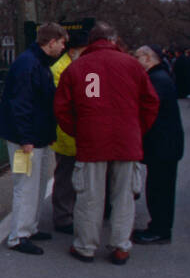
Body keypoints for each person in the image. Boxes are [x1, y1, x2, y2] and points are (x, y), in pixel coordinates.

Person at [54, 22, 160, 264]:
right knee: (124, 196)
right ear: (114, 39)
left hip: (92, 139)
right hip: (126, 140)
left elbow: (62, 108)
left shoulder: (78, 67)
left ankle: (85, 246)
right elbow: (150, 103)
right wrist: (137, 129)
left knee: (89, 196)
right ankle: (121, 245)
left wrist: (78, 131)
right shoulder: (133, 66)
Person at [0, 23, 68, 254]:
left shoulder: (36, 63)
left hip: (35, 137)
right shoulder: (30, 64)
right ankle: (19, 236)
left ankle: (29, 227)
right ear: (52, 42)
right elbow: (21, 104)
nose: (64, 47)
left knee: (36, 184)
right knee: (26, 185)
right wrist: (26, 138)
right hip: (25, 139)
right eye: (62, 42)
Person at [132, 45, 184, 244]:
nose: (135, 60)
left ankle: (160, 229)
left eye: (137, 57)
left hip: (163, 145)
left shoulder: (157, 80)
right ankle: (159, 226)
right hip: (166, 144)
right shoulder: (161, 77)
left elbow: (148, 107)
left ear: (147, 58)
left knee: (159, 189)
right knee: (159, 187)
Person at [48, 29, 88, 235]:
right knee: (65, 175)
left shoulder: (75, 67)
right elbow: (63, 104)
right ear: (73, 51)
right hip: (66, 133)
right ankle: (63, 216)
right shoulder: (60, 70)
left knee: (72, 175)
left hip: (75, 131)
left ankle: (69, 212)